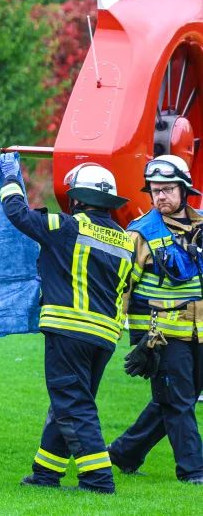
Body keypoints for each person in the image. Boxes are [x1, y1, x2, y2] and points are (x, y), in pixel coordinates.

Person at [0, 155, 133, 494]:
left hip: (69, 331)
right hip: (104, 339)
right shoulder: (124, 241)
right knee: (69, 401)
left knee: (74, 405)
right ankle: (46, 473)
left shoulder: (67, 226)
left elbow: (18, 214)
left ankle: (98, 479)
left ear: (76, 199)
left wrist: (10, 176)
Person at [108, 155, 203, 484]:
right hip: (161, 335)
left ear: (184, 189)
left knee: (178, 398)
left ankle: (124, 453)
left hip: (200, 333)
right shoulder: (139, 233)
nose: (160, 196)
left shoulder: (202, 226)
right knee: (178, 403)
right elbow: (122, 284)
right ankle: (194, 473)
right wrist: (112, 328)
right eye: (155, 191)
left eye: (167, 189)